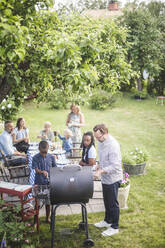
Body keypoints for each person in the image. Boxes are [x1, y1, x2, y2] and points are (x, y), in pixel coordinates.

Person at [93, 124, 123, 237]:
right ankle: (107, 221)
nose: (97, 140)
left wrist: (100, 171)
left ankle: (114, 226)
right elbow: (102, 157)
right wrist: (98, 165)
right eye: (95, 137)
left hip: (113, 179)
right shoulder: (101, 142)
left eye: (98, 137)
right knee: (106, 200)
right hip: (105, 178)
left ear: (105, 133)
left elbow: (115, 166)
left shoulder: (113, 145)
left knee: (112, 203)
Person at [32, 141, 56, 223]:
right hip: (38, 183)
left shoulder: (51, 157)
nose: (44, 154)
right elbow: (36, 169)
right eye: (42, 152)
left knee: (48, 202)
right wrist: (42, 172)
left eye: (45, 152)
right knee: (37, 203)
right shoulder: (35, 157)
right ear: (39, 149)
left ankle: (47, 218)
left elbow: (55, 169)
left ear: (48, 149)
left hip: (48, 183)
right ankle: (35, 221)